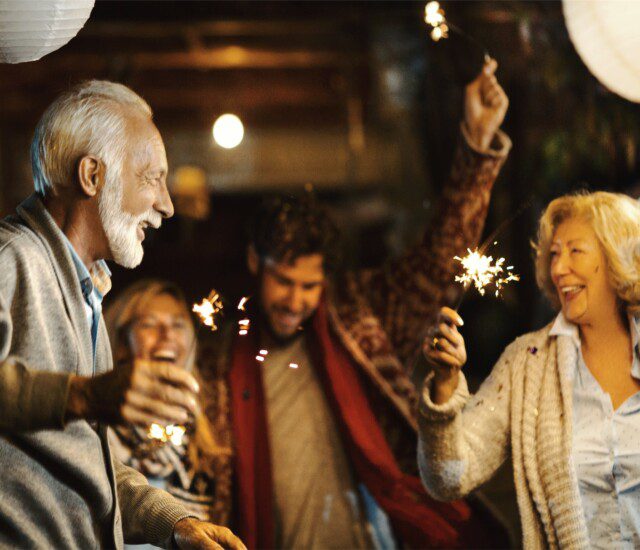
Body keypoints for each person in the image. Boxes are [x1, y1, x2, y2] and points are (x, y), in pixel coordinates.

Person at [197, 58, 511, 549]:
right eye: (284, 281)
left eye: (309, 285)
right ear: (255, 263)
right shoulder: (219, 355)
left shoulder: (357, 313)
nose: (295, 301)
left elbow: (438, 264)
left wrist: (475, 147)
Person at [0, 81, 244, 550]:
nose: (167, 205)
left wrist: (175, 525)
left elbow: (93, 466)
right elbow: (73, 403)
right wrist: (82, 396)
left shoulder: (88, 289)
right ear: (92, 176)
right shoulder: (11, 258)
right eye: (151, 178)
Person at [419, 191, 640, 548]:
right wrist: (445, 384)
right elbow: (448, 477)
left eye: (575, 251)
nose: (558, 268)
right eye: (554, 254)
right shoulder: (526, 363)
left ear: (618, 258)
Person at [105, 279, 232, 535]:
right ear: (121, 345)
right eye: (149, 324)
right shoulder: (101, 424)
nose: (167, 335)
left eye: (178, 324)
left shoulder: (213, 425)